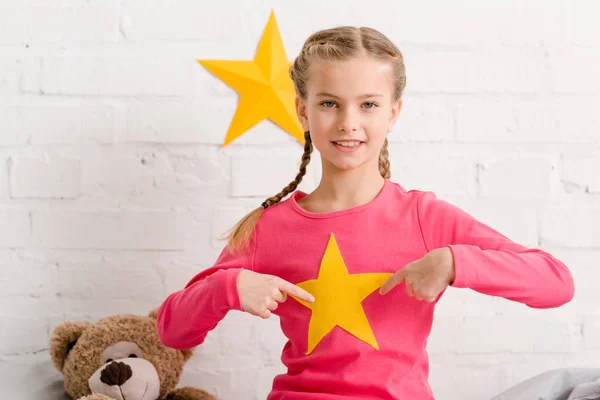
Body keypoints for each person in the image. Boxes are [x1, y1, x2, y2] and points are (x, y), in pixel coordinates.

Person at [156, 26, 575, 399]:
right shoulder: (270, 227)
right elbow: (172, 331)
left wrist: (455, 262)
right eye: (329, 104)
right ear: (303, 111)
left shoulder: (424, 217)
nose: (348, 122)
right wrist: (228, 287)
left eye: (368, 105)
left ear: (394, 112)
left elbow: (556, 283)